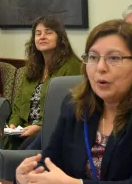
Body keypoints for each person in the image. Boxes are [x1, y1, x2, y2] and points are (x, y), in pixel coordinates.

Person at [15, 19, 132, 184]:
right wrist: (24, 179)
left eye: (114, 58)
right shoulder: (75, 105)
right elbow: (49, 163)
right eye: (93, 57)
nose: (100, 67)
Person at [5, 16, 82, 150]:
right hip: (24, 130)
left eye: (48, 32)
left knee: (20, 155)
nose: (42, 36)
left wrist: (40, 126)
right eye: (38, 33)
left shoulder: (73, 67)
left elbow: (69, 107)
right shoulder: (32, 68)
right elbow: (18, 104)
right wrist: (13, 125)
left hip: (51, 130)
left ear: (60, 37)